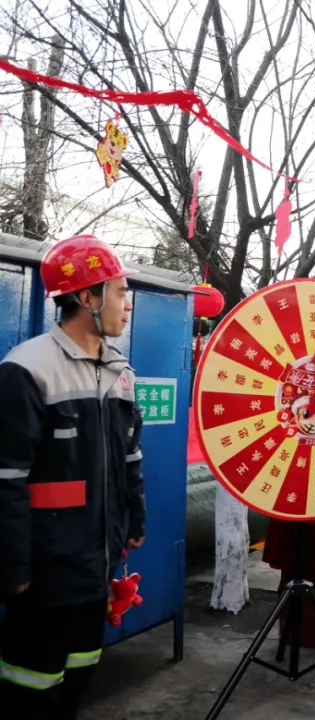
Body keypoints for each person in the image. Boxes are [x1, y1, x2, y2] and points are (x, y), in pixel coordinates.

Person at [0, 235, 146, 719]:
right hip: (46, 571)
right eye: (121, 292)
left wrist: (135, 520)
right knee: (31, 683)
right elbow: (7, 476)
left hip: (96, 565)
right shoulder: (27, 369)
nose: (127, 305)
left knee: (81, 669)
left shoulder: (121, 373)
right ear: (88, 297)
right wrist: (14, 565)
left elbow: (130, 456)